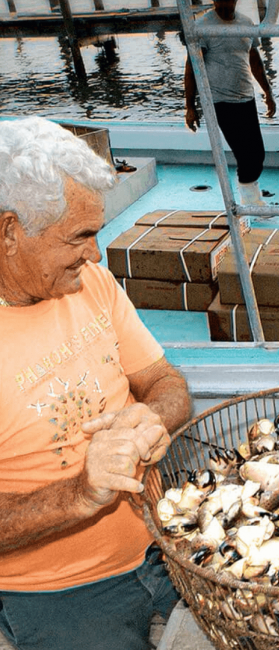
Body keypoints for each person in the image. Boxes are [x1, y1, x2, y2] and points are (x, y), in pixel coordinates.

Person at [0, 116, 192, 649]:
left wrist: (152, 415)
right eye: (81, 236)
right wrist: (83, 494)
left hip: (164, 543)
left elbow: (165, 381)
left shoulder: (91, 282)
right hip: (58, 594)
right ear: (10, 231)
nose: (97, 254)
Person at [184, 0, 276, 206]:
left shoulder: (246, 23)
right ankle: (251, 204)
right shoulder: (202, 27)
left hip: (246, 98)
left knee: (258, 155)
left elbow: (255, 60)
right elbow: (191, 67)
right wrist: (190, 106)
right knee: (246, 156)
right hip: (220, 101)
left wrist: (268, 93)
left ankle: (250, 197)